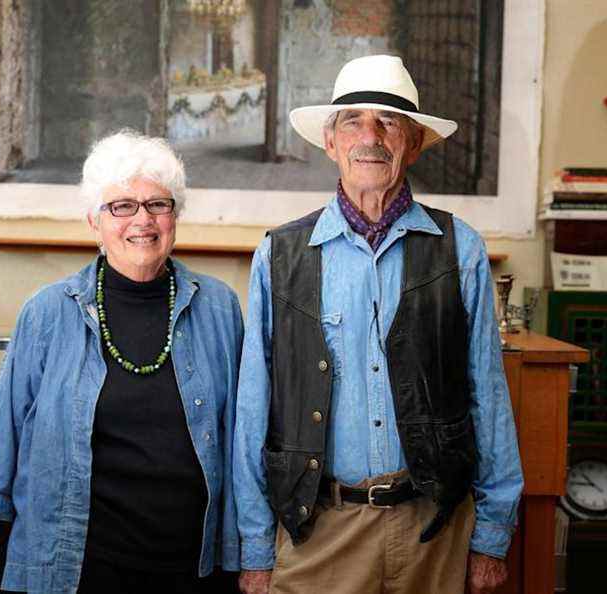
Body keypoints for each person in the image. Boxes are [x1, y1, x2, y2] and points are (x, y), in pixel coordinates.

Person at [233, 55, 524, 594]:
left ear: (413, 143)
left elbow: (489, 396)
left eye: (389, 122)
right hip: (317, 532)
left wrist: (491, 534)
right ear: (331, 141)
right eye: (353, 121)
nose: (370, 136)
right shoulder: (279, 255)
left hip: (432, 530)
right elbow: (255, 408)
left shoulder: (461, 249)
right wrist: (254, 546)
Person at [0, 130, 243, 594]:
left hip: (192, 571)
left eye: (158, 204)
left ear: (176, 215)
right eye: (122, 205)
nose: (142, 220)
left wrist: (244, 563)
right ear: (94, 221)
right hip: (77, 572)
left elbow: (241, 451)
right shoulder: (47, 313)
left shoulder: (219, 308)